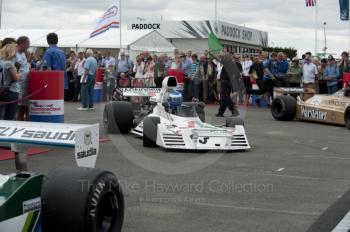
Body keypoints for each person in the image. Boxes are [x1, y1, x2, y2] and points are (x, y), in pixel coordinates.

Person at [215, 52, 240, 117]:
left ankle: (234, 111)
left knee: (226, 97)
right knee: (224, 98)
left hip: (225, 82)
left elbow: (217, 58)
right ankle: (220, 112)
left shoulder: (228, 62)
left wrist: (212, 53)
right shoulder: (232, 63)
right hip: (228, 82)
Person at [0, 43, 21, 120]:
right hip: (12, 91)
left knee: (6, 114)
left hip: (8, 90)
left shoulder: (6, 63)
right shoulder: (9, 63)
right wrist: (19, 74)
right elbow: (16, 78)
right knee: (10, 116)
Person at [15, 36, 30, 121]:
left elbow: (24, 68)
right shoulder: (15, 55)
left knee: (26, 109)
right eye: (28, 44)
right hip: (19, 86)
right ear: (22, 43)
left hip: (26, 85)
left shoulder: (23, 54)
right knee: (20, 109)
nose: (28, 46)